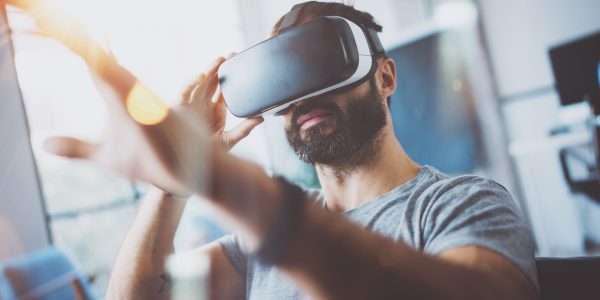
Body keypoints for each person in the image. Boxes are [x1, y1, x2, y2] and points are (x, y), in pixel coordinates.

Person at [15, 0, 538, 299]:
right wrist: (170, 185)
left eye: (319, 65)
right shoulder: (249, 249)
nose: (302, 96)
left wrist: (221, 181)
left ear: (384, 76)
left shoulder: (460, 204)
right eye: (283, 82)